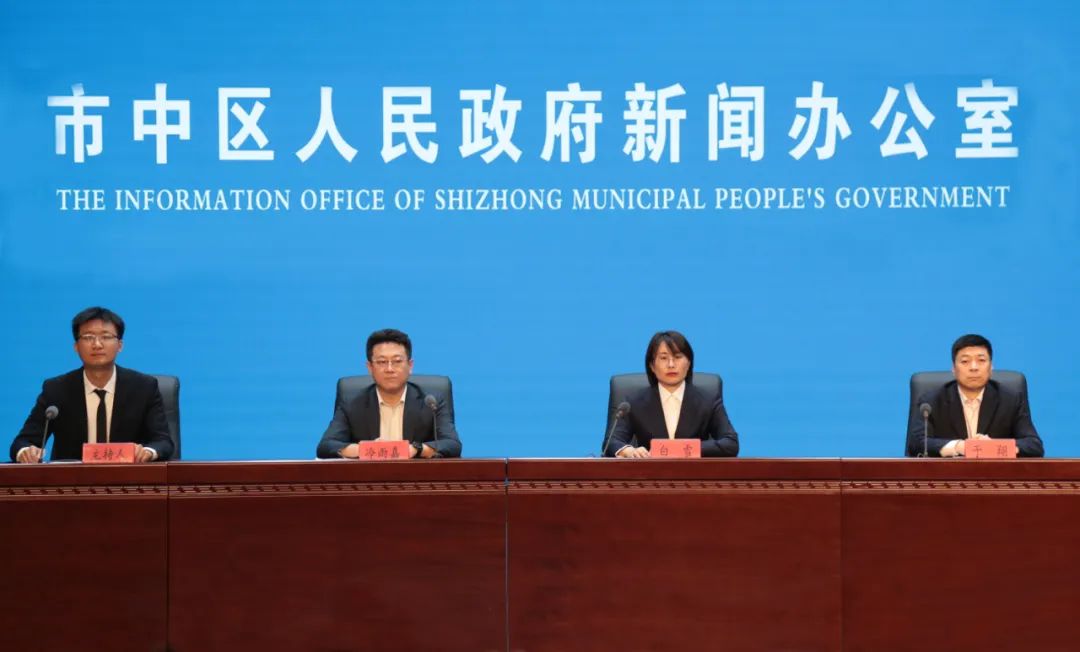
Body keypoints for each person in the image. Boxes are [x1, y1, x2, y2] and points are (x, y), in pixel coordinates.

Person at [10, 306, 173, 463]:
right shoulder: (56, 389)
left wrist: (147, 451)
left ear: (120, 345)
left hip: (128, 478)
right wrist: (26, 452)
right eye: (88, 337)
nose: (97, 344)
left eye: (106, 337)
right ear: (76, 346)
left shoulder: (143, 387)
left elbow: (163, 441)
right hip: (72, 480)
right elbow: (22, 442)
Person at [317, 328, 461, 459]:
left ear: (410, 366)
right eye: (382, 362)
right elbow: (326, 446)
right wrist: (366, 449)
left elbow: (452, 444)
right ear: (370, 367)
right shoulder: (352, 404)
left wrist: (415, 448)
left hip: (416, 477)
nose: (390, 369)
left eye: (397, 361)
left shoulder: (431, 402)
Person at [604, 330, 739, 458]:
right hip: (650, 472)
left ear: (689, 363)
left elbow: (730, 443)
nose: (671, 364)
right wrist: (629, 451)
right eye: (663, 358)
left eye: (677, 357)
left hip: (693, 472)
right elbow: (611, 442)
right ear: (652, 366)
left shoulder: (708, 400)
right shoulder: (634, 402)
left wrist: (686, 449)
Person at [907, 333, 1044, 457]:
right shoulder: (931, 401)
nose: (974, 367)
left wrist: (994, 447)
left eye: (981, 360)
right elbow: (916, 443)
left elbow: (1034, 445)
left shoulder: (1011, 400)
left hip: (995, 474)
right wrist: (959, 446)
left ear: (991, 367)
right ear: (954, 368)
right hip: (948, 474)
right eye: (965, 361)